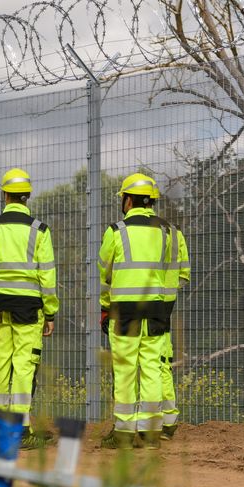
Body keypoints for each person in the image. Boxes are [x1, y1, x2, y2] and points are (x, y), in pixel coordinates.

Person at [0, 168, 59, 450]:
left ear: (5, 195)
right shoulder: (40, 231)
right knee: (23, 366)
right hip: (29, 308)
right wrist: (50, 313)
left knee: (0, 364)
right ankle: (20, 431)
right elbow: (47, 277)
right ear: (27, 196)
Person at [98, 173, 174, 449]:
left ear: (128, 200)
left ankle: (124, 433)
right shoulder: (166, 232)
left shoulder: (115, 232)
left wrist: (105, 308)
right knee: (152, 368)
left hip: (124, 311)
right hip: (155, 309)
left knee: (126, 369)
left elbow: (104, 275)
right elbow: (169, 273)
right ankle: (151, 433)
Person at [156, 183, 190, 440]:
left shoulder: (138, 234)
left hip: (138, 308)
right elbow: (184, 275)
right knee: (161, 364)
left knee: (141, 365)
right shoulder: (175, 235)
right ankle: (168, 421)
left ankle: (146, 422)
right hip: (164, 309)